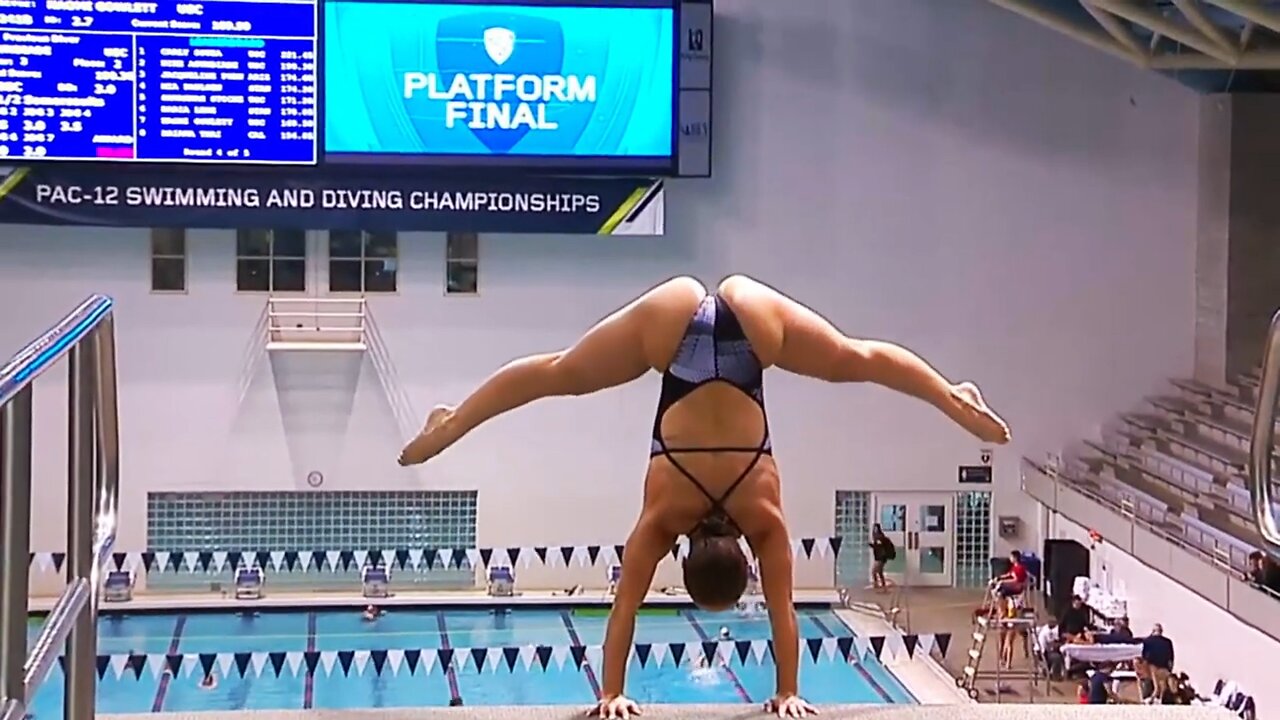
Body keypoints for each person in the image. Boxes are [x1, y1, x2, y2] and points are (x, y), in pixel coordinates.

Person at [397, 275, 1011, 719]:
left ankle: (951, 396)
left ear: (740, 560)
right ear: (682, 560)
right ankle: (453, 423)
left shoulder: (762, 520)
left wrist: (788, 691)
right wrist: (610, 694)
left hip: (751, 332)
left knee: (854, 358)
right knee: (559, 375)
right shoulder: (663, 520)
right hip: (676, 334)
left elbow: (781, 615)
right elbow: (625, 612)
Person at [869, 524, 895, 592]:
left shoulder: (880, 538)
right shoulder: (877, 538)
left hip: (881, 558)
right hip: (879, 557)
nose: (875, 531)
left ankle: (877, 585)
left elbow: (880, 547)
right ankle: (883, 587)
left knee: (874, 571)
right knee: (879, 572)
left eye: (876, 529)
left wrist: (873, 546)